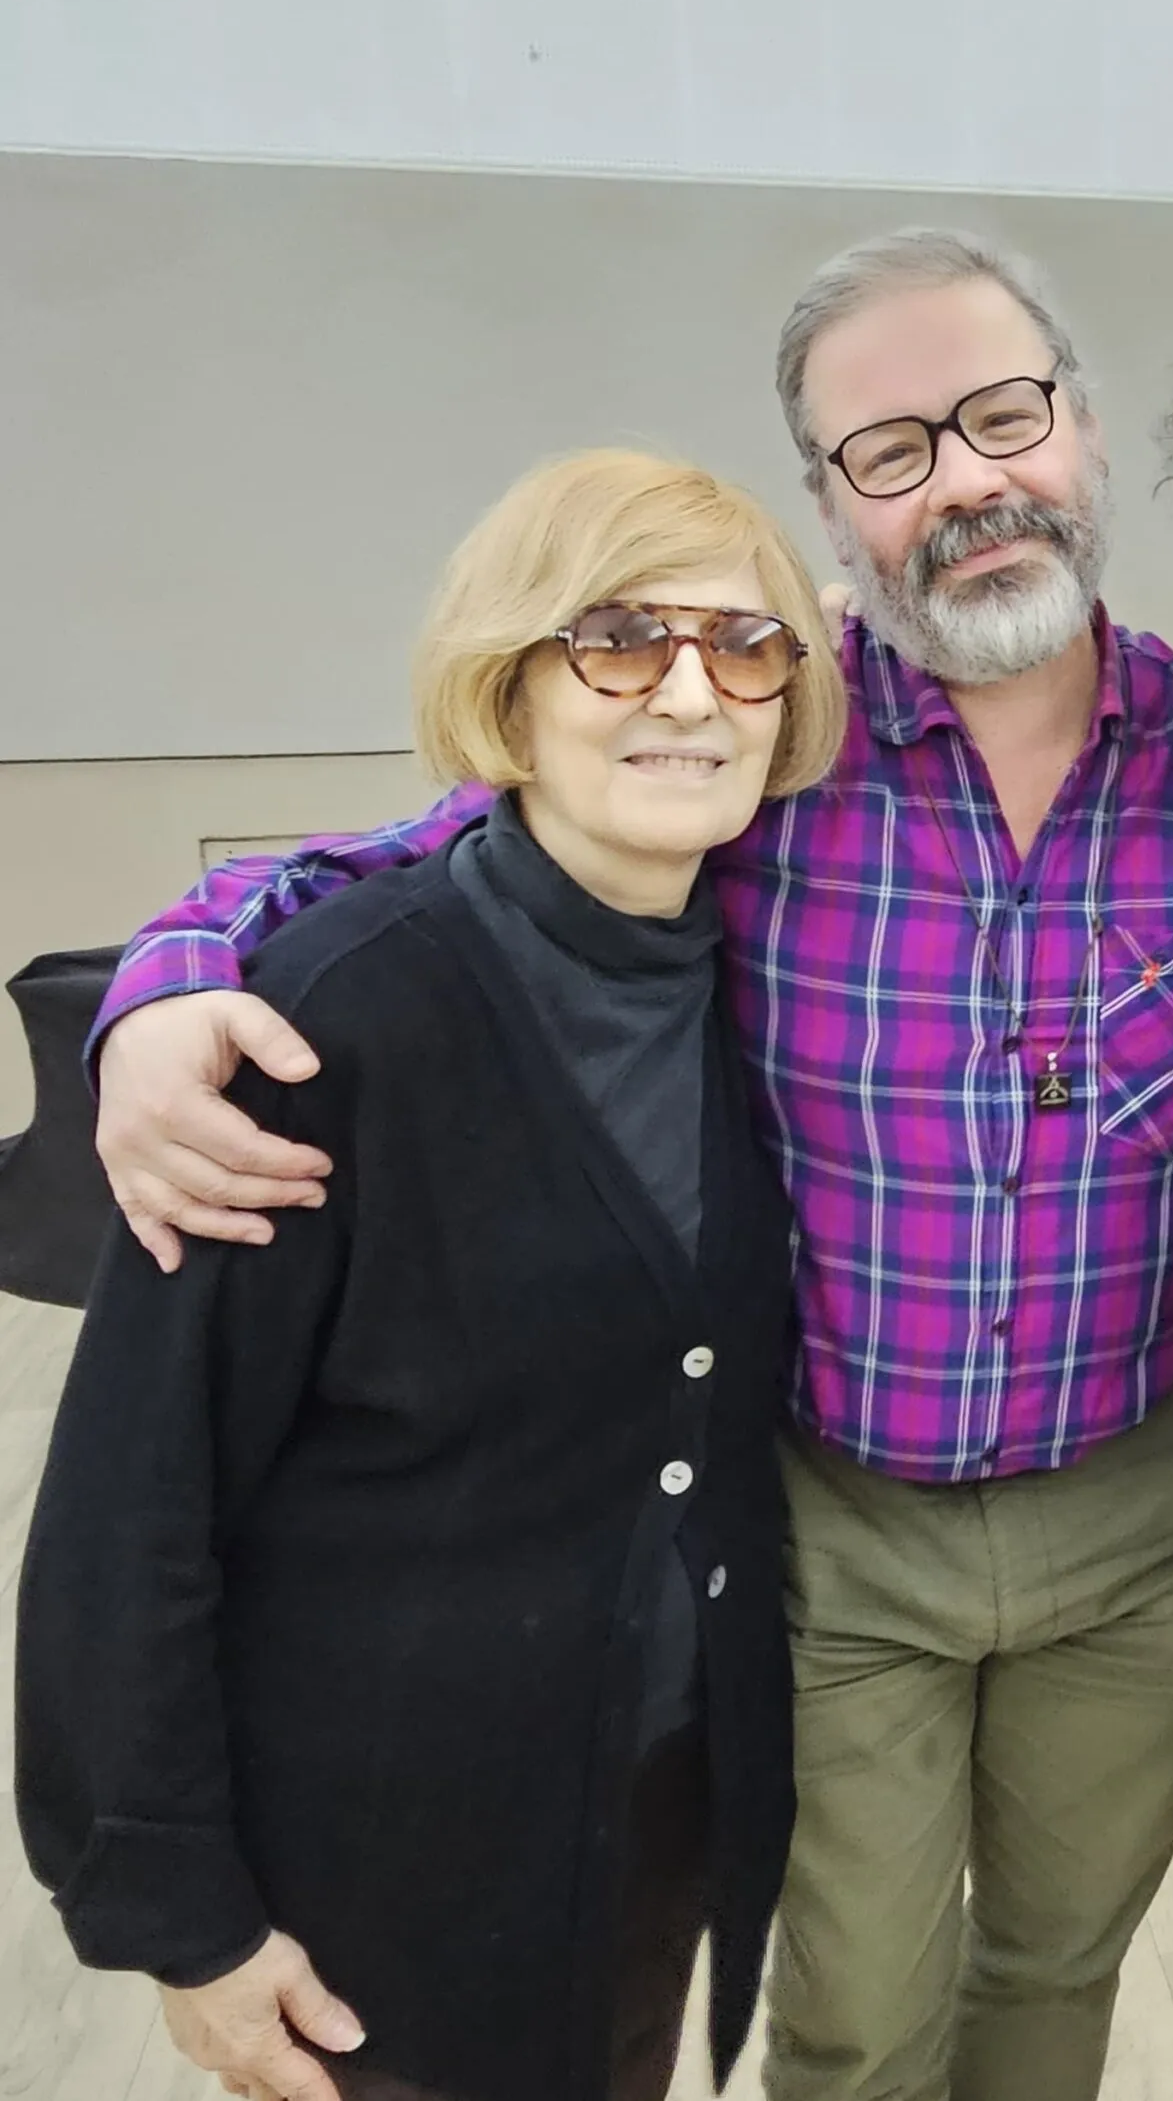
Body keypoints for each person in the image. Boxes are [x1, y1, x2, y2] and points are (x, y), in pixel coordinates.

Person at [84, 230, 1173, 2101]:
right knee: (857, 2018)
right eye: (891, 449)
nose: (965, 481)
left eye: (1004, 415)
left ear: (1083, 435)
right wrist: (164, 984)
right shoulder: (762, 739)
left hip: (1136, 1514)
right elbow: (419, 860)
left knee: (1058, 1975)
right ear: (832, 505)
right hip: (840, 1528)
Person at [19, 449, 846, 2101]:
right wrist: (185, 1919)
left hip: (642, 1822)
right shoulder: (329, 1017)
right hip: (380, 1875)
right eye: (620, 638)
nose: (693, 690)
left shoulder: (768, 984)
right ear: (510, 685)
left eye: (745, 644)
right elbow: (137, 1492)